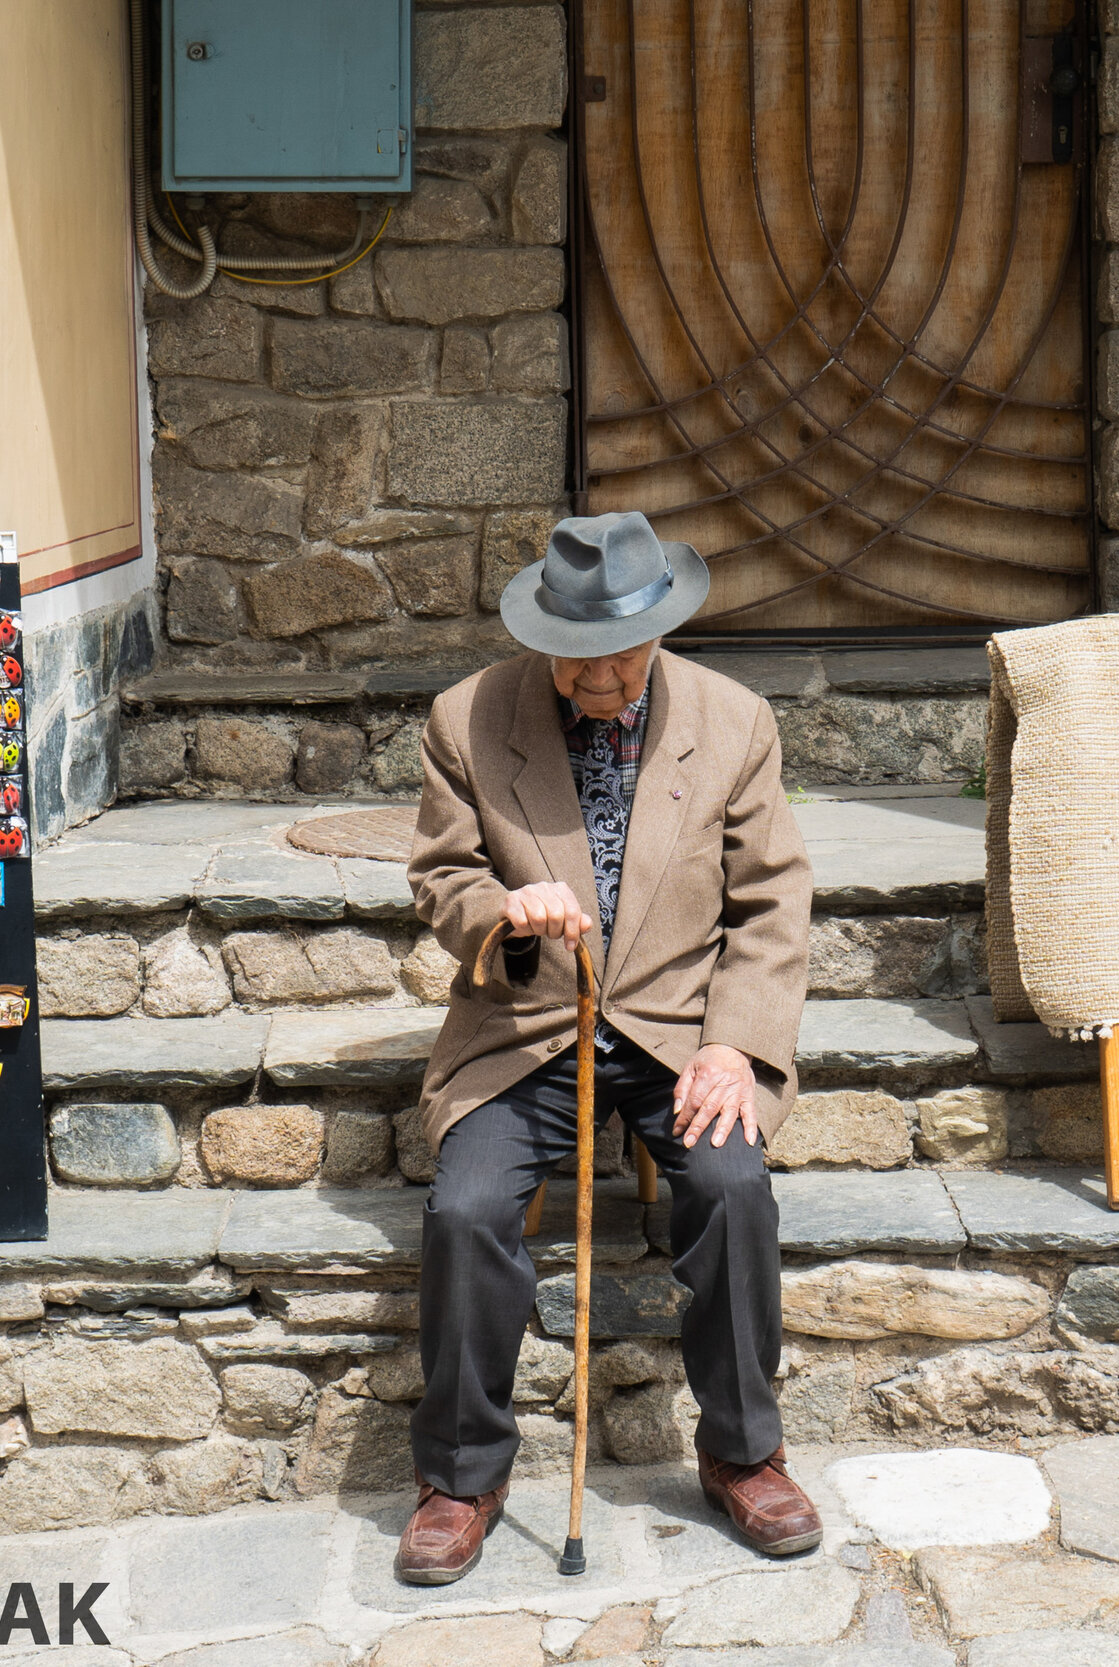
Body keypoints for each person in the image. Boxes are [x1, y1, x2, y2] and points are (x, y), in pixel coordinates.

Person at [397, 510, 817, 1586]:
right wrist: (500, 909)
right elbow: (442, 879)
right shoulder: (468, 716)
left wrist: (735, 1045)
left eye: (619, 659)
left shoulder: (732, 721)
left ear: (658, 630)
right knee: (467, 1208)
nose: (597, 681)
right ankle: (461, 1472)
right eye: (575, 661)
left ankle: (742, 1452)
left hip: (678, 1027)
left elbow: (771, 906)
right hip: (527, 1022)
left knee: (730, 1185)